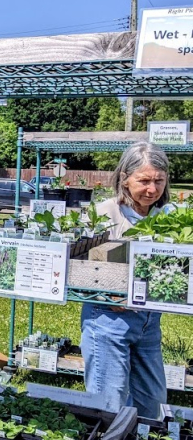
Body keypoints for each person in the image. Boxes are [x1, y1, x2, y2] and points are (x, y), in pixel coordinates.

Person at [81, 141, 170, 419]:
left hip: (148, 321)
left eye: (159, 181)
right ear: (124, 179)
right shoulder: (105, 214)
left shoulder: (166, 216)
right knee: (109, 404)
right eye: (144, 181)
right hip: (108, 320)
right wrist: (108, 294)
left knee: (153, 401)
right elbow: (78, 268)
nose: (152, 189)